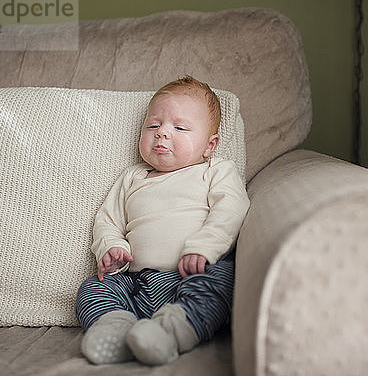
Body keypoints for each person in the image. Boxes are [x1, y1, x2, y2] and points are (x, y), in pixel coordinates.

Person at [75, 75, 250, 366]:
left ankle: (169, 333)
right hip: (134, 283)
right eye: (153, 125)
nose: (162, 133)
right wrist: (111, 247)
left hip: (191, 276)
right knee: (93, 288)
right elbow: (107, 220)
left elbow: (232, 209)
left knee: (224, 281)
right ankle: (116, 329)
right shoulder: (133, 178)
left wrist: (204, 247)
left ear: (210, 145)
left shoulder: (215, 171)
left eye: (179, 128)